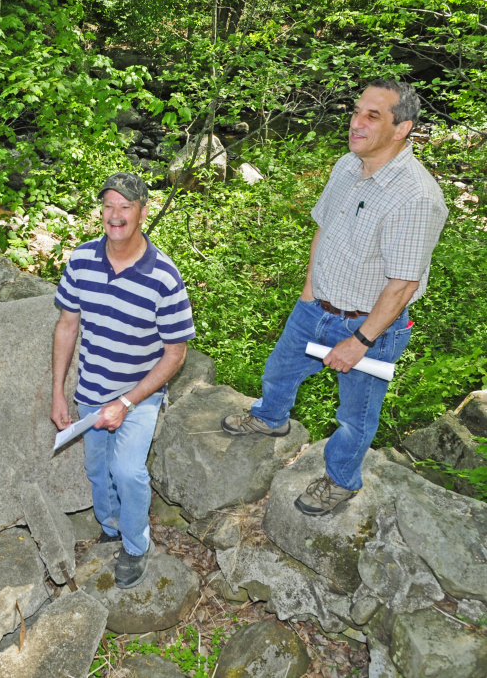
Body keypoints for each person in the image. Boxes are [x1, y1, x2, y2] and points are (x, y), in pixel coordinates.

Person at [221, 79, 448, 516]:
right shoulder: (347, 165)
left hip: (372, 328)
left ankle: (341, 480)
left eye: (372, 116)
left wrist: (359, 340)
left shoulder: (417, 197)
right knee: (279, 371)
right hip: (318, 306)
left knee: (355, 415)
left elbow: (402, 284)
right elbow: (323, 228)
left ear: (402, 129)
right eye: (357, 111)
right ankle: (271, 418)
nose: (356, 122)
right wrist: (309, 294)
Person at [51, 172, 195, 588]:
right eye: (109, 205)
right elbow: (66, 326)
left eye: (125, 207)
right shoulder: (80, 260)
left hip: (139, 395)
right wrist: (59, 393)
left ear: (143, 212)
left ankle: (135, 546)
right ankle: (111, 525)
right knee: (98, 470)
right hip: (91, 391)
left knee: (128, 470)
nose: (115, 215)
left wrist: (128, 402)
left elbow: (176, 353)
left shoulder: (164, 276)